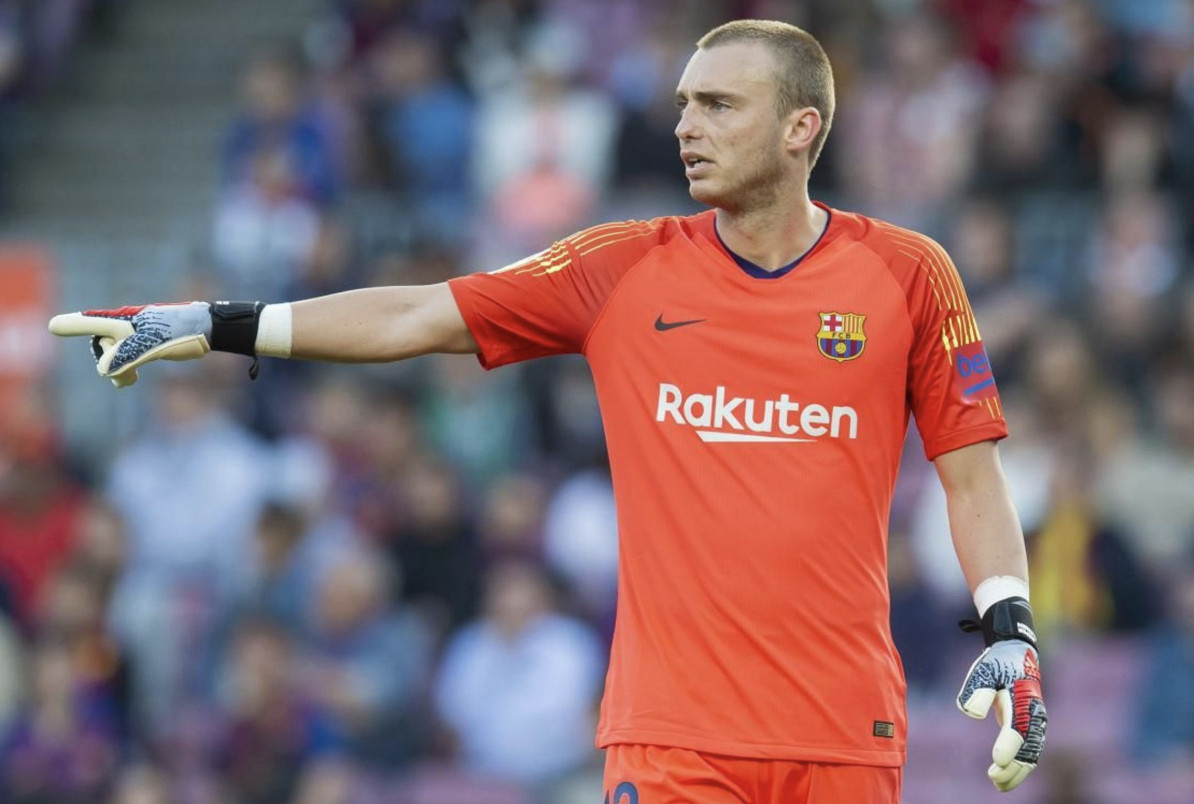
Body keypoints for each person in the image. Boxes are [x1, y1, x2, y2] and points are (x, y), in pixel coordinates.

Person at [49, 19, 1047, 803]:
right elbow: (413, 314)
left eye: (718, 106)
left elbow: (971, 473)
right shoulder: (621, 267)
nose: (685, 126)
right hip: (670, 735)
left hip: (843, 730)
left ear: (802, 128)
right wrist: (221, 323)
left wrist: (1011, 628)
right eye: (683, 104)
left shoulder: (909, 274)